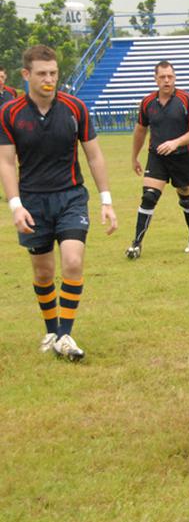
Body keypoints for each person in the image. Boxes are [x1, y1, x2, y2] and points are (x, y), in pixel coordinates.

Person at [0, 45, 118, 360]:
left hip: (71, 197)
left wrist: (106, 200)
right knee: (43, 272)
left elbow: (94, 155)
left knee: (73, 262)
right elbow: (7, 163)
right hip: (33, 202)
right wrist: (15, 205)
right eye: (42, 74)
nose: (49, 79)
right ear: (26, 75)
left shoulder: (76, 108)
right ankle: (52, 329)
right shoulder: (9, 113)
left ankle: (65, 335)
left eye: (53, 73)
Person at [126, 60, 189, 259]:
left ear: (175, 78)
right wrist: (134, 157)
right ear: (156, 79)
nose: (167, 80)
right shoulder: (147, 103)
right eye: (162, 77)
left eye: (170, 76)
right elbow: (140, 131)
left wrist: (176, 142)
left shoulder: (186, 100)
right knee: (149, 196)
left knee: (186, 197)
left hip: (183, 156)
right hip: (157, 156)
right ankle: (136, 244)